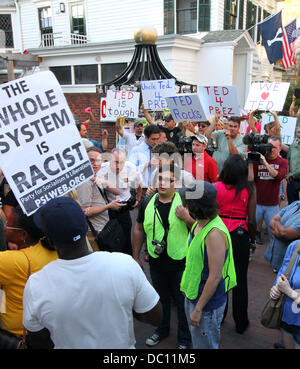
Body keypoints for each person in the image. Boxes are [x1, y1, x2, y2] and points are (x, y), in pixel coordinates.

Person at [22, 197, 161, 349]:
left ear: (49, 241)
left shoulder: (36, 284)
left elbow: (39, 341)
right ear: (84, 228)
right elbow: (155, 317)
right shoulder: (124, 264)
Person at [132, 164, 193, 349]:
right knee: (160, 298)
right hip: (156, 261)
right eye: (160, 179)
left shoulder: (185, 201)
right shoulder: (147, 201)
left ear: (177, 183)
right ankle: (161, 329)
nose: (163, 183)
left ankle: (184, 338)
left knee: (182, 302)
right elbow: (139, 228)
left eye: (169, 180)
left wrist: (187, 218)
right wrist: (136, 256)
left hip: (180, 261)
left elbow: (200, 229)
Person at [180, 181, 237, 349]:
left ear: (196, 206)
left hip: (206, 306)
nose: (185, 204)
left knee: (205, 345)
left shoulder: (214, 234)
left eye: (188, 202)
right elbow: (194, 262)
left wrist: (198, 309)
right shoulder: (199, 223)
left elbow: (215, 276)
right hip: (194, 295)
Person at [0, 206, 57, 337]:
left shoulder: (13, 261)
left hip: (20, 334)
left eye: (7, 223)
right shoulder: (50, 246)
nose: (4, 226)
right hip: (46, 328)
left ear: (23, 234)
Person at [216, 154, 256, 333]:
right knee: (240, 279)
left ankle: (220, 315)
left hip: (219, 234)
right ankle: (241, 322)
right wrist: (252, 240)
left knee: (219, 276)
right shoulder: (249, 189)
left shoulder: (216, 187)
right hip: (240, 235)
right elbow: (253, 220)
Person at [248, 136, 288, 272]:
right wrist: (250, 162)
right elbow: (250, 179)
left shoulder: (283, 162)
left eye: (273, 148)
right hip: (256, 204)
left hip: (272, 205)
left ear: (280, 149)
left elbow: (278, 176)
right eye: (268, 147)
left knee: (275, 235)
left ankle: (275, 262)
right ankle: (247, 255)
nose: (270, 150)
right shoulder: (257, 160)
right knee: (249, 231)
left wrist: (264, 162)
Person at [76, 147, 124, 251]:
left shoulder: (95, 177)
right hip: (94, 232)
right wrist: (109, 206)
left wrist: (103, 182)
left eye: (98, 160)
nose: (95, 164)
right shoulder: (84, 183)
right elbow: (84, 211)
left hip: (103, 229)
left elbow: (117, 191)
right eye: (91, 160)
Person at [96, 148, 142, 255]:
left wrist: (138, 199)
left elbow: (139, 184)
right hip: (108, 208)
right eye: (115, 162)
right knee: (109, 238)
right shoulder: (102, 169)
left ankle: (129, 261)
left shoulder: (131, 169)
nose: (117, 166)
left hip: (123, 208)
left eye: (120, 162)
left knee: (125, 237)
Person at [270, 239, 300, 349]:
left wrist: (289, 291)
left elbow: (287, 288)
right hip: (287, 316)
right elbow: (283, 272)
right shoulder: (295, 246)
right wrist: (275, 288)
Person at [264, 200, 300, 274]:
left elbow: (285, 233)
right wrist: (281, 230)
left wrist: (277, 224)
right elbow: (272, 221)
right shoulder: (295, 204)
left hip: (287, 264)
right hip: (274, 256)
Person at [128, 124, 161, 191]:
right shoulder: (136, 150)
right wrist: (148, 164)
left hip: (156, 189)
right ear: (146, 137)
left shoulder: (159, 150)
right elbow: (130, 171)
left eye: (157, 139)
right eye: (153, 139)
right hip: (141, 189)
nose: (156, 142)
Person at [287, 125, 300, 204]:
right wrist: (287, 173)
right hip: (293, 181)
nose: (299, 134)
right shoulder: (292, 146)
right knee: (292, 206)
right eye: (298, 132)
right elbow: (288, 161)